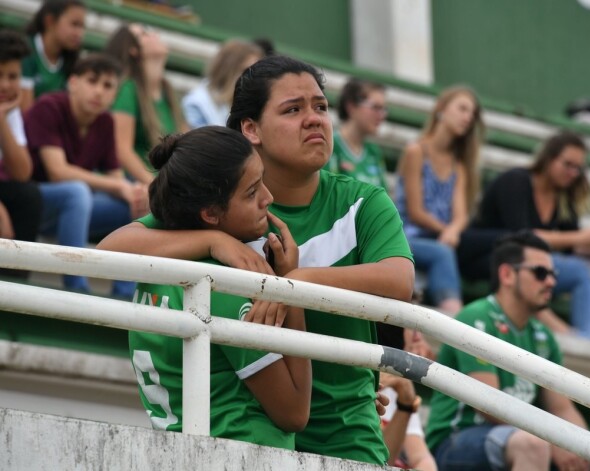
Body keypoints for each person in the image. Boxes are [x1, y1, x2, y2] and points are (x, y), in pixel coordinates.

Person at [98, 55, 415, 465]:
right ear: (251, 128)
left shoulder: (363, 202)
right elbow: (107, 253)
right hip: (255, 443)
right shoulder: (219, 196)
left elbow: (398, 280)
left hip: (344, 438)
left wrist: (293, 285)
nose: (315, 119)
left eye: (320, 106)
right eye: (293, 109)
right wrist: (212, 239)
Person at [130, 126, 311, 448]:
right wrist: (290, 289)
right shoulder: (224, 285)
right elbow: (294, 413)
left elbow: (102, 251)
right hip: (248, 451)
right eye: (252, 192)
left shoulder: (153, 265)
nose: (268, 198)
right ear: (210, 213)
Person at [426, 231, 590, 471]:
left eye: (552, 274)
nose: (550, 282)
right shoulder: (476, 317)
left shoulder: (544, 336)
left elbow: (563, 408)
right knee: (533, 445)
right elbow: (489, 404)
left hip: (514, 437)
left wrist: (587, 451)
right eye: (540, 273)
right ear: (507, 274)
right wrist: (555, 439)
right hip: (455, 440)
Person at [459, 131, 590, 340]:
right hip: (483, 258)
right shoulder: (516, 180)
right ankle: (575, 338)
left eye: (578, 168)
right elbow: (523, 238)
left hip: (519, 263)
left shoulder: (562, 196)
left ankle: (586, 340)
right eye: (568, 164)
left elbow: (568, 246)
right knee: (534, 265)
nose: (573, 173)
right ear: (549, 158)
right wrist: (579, 237)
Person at [24, 53, 146, 296]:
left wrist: (131, 191)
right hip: (33, 204)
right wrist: (119, 185)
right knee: (76, 191)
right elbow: (58, 172)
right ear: (73, 83)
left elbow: (115, 177)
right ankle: (76, 289)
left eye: (107, 86)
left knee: (131, 203)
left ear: (114, 95)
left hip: (75, 212)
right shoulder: (48, 107)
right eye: (92, 81)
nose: (99, 91)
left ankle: (125, 292)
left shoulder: (105, 123)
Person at [395, 85, 484, 318]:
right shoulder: (416, 151)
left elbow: (461, 214)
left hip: (440, 239)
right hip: (407, 236)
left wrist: (453, 230)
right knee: (443, 253)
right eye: (462, 109)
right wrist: (448, 231)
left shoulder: (459, 166)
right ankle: (456, 314)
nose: (467, 117)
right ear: (441, 110)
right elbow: (415, 212)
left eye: (472, 114)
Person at [105, 24, 187, 184]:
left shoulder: (168, 90)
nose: (154, 34)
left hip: (166, 181)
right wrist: (155, 186)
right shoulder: (128, 89)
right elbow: (122, 150)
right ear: (133, 50)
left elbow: (187, 141)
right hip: (139, 182)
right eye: (144, 34)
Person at [0, 30, 43, 279]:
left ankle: (16, 287)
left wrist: (1, 119)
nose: (5, 85)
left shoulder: (10, 110)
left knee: (28, 196)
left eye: (13, 76)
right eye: (0, 76)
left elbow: (22, 172)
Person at [20, 0, 86, 113]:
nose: (79, 33)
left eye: (82, 26)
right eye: (74, 24)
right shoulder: (25, 52)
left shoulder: (72, 62)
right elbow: (25, 113)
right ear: (49, 21)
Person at [182, 39, 263, 128]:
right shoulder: (196, 104)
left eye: (257, 72)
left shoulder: (255, 105)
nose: (253, 78)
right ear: (228, 70)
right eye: (246, 71)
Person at [325, 77, 389, 189]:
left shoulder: (374, 152)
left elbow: (385, 197)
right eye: (375, 107)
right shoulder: (330, 145)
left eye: (383, 109)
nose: (382, 115)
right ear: (351, 107)